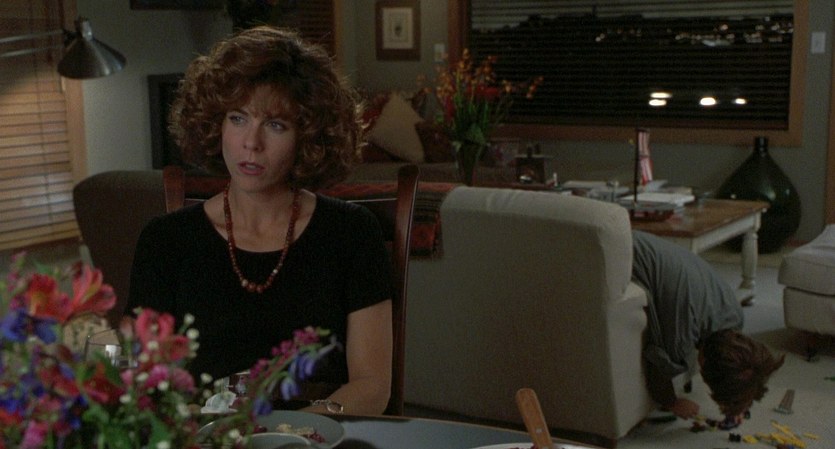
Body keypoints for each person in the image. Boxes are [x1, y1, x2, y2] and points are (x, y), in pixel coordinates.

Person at [126, 26, 392, 415]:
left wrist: (287, 434)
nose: (251, 142)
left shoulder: (352, 233)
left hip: (321, 436)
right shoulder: (165, 240)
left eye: (275, 124)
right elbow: (142, 384)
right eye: (238, 118)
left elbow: (372, 387)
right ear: (215, 123)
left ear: (309, 137)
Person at [631, 230, 784, 422]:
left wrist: (739, 399)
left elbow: (746, 366)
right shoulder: (680, 338)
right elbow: (658, 372)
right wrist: (672, 402)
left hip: (642, 242)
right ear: (702, 363)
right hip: (623, 256)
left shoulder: (734, 315)